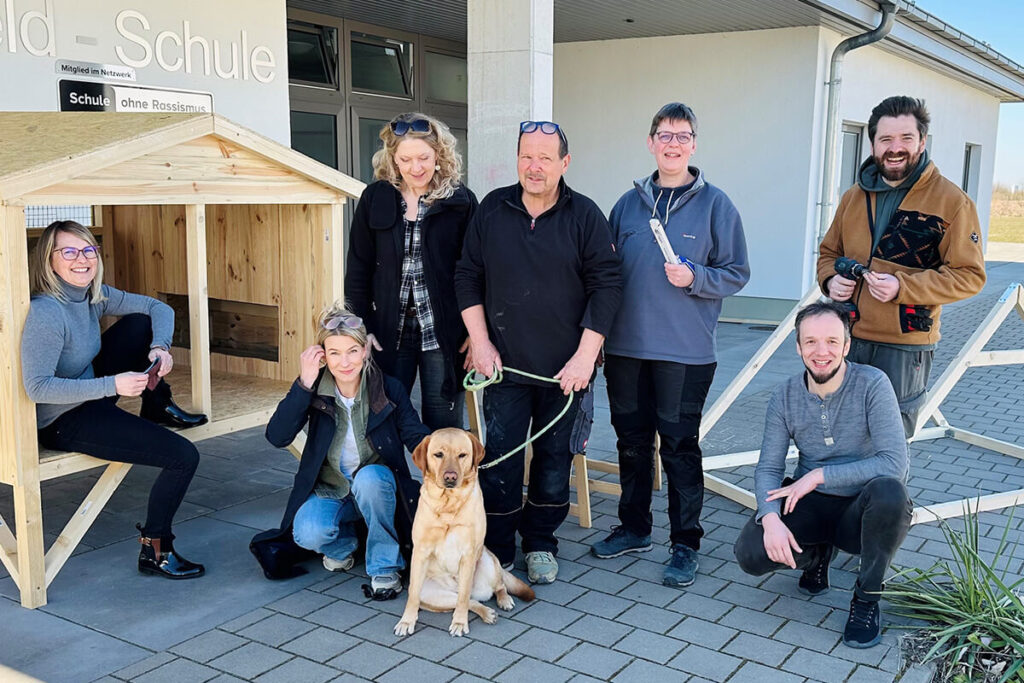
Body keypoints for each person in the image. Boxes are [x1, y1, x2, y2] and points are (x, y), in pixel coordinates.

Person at [589, 102, 750, 588]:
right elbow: (605, 274)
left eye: (682, 136)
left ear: (694, 145)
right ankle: (635, 528)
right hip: (626, 350)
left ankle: (685, 543)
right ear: (651, 142)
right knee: (632, 443)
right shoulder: (628, 205)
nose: (673, 144)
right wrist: (597, 335)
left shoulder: (716, 205)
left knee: (679, 447)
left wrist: (695, 276)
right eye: (665, 135)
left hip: (685, 353)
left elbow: (737, 273)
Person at [454, 120, 622, 584]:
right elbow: (467, 276)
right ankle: (498, 547)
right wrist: (480, 341)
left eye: (545, 158)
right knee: (500, 462)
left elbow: (607, 287)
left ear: (564, 163)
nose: (534, 166)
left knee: (553, 462)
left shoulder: (585, 215)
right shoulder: (492, 209)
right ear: (517, 160)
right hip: (503, 367)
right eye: (527, 156)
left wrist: (585, 357)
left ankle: (541, 543)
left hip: (566, 372)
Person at [21, 220, 207, 579]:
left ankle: (156, 405)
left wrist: (160, 348)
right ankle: (156, 550)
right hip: (62, 420)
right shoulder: (46, 312)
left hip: (93, 393)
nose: (82, 259)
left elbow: (159, 309)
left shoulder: (93, 294)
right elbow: (38, 388)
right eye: (69, 252)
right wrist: (113, 385)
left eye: (88, 249)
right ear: (49, 260)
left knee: (139, 324)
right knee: (183, 457)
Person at [733, 302, 912, 649]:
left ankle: (866, 598)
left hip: (861, 507)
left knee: (892, 493)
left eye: (832, 341)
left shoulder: (872, 383)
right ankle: (816, 557)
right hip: (810, 503)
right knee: (751, 553)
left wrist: (818, 475)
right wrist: (770, 518)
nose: (821, 351)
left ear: (846, 346)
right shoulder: (785, 395)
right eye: (811, 341)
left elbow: (894, 463)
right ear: (798, 347)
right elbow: (769, 467)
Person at [817, 95, 986, 437]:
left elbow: (970, 276)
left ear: (922, 142)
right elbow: (828, 253)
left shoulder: (953, 202)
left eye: (906, 138)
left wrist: (902, 287)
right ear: (873, 144)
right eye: (886, 139)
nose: (895, 148)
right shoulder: (853, 197)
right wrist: (830, 279)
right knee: (836, 434)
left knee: (888, 442)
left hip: (903, 348)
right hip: (844, 337)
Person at [257, 302, 429, 599]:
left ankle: (384, 566)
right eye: (334, 353)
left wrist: (448, 453)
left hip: (377, 486)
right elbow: (277, 436)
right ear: (323, 355)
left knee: (370, 479)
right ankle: (346, 543)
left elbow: (415, 435)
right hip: (332, 488)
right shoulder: (315, 389)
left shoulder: (387, 388)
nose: (345, 362)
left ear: (365, 351)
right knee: (307, 533)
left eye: (352, 351)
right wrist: (304, 382)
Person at [346, 112, 477, 432]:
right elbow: (358, 267)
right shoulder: (375, 198)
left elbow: (477, 273)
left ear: (439, 155)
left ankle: (442, 470)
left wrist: (477, 334)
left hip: (444, 333)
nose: (415, 167)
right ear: (393, 158)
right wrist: (361, 328)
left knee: (443, 428)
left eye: (424, 158)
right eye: (405, 159)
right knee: (385, 423)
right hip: (389, 332)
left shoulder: (461, 201)